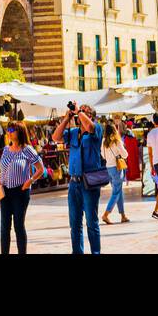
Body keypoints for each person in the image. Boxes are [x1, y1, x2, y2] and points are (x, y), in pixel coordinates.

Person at [52, 102, 105, 254]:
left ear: (91, 116)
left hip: (90, 183)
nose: (80, 113)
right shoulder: (74, 132)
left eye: (84, 111)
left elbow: (89, 127)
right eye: (79, 111)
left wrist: (78, 112)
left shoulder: (97, 129)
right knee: (74, 224)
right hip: (74, 183)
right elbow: (56, 137)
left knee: (92, 223)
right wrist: (66, 118)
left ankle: (96, 252)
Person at [0, 122, 45, 254]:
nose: (9, 132)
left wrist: (30, 181)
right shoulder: (5, 150)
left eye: (12, 130)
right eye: (8, 129)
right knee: (4, 227)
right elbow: (1, 174)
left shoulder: (27, 150)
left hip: (20, 192)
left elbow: (40, 169)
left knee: (18, 226)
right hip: (5, 192)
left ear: (20, 132)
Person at [101, 120, 130, 225]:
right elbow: (125, 155)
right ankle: (106, 214)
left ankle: (123, 215)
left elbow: (103, 155)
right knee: (116, 193)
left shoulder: (104, 141)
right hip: (117, 168)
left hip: (109, 168)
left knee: (118, 192)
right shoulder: (117, 141)